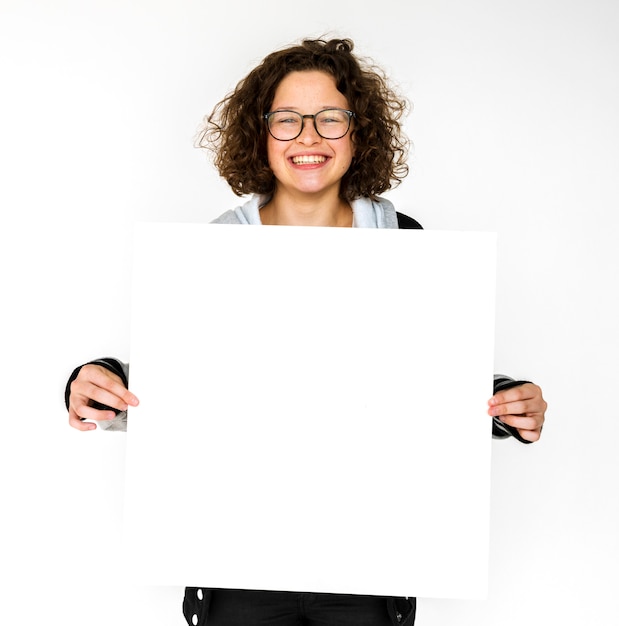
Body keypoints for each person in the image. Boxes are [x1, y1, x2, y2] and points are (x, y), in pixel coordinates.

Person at [64, 38, 547, 626]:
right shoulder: (211, 252)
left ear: (359, 132)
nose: (309, 136)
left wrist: (502, 405)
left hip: (369, 561)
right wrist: (104, 387)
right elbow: (189, 393)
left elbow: (424, 384)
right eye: (287, 120)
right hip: (238, 559)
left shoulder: (407, 243)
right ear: (261, 134)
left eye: (330, 118)